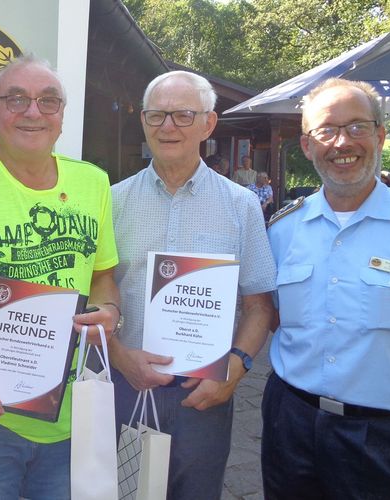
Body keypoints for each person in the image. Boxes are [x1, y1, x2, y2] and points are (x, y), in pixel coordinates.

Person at [0, 53, 121, 499]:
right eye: (17, 99)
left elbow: (104, 275)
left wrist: (109, 310)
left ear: (62, 117)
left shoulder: (93, 183)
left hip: (72, 414)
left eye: (48, 101)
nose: (33, 112)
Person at [262, 78, 390, 499]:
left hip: (387, 437)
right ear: (308, 146)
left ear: (380, 134)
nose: (342, 142)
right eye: (326, 130)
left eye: (357, 127)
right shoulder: (282, 230)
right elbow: (271, 317)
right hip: (291, 425)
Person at [110, 70, 276, 500]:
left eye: (184, 115)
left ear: (208, 124)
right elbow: (96, 292)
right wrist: (118, 354)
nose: (168, 127)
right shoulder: (111, 201)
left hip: (204, 392)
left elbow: (260, 307)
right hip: (128, 384)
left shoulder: (241, 206)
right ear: (143, 121)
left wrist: (235, 369)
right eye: (157, 115)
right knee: (126, 492)